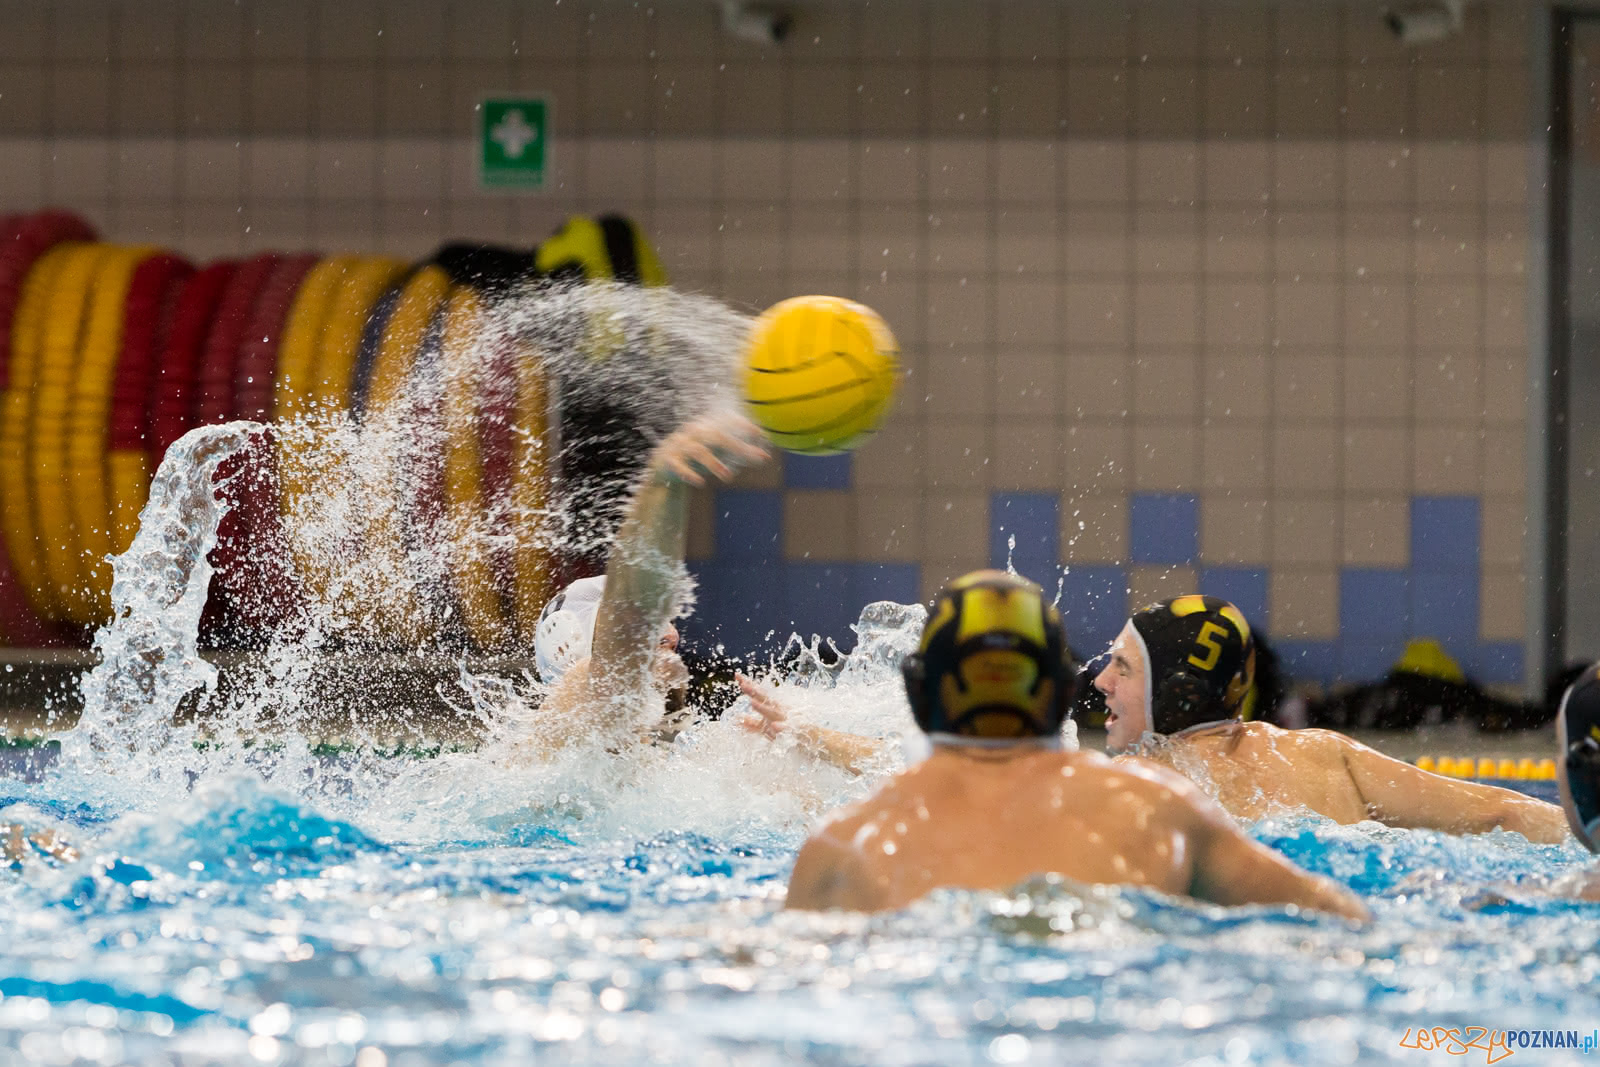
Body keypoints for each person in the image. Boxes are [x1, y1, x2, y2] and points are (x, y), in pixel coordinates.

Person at [784, 570, 1367, 921]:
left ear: (918, 692)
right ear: (1064, 692)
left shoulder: (843, 848)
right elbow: (1342, 917)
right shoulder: (1159, 808)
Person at [1093, 596, 1572, 844]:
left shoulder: (1135, 787)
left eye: (1124, 667)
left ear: (1175, 692)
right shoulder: (1321, 752)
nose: (1101, 682)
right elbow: (1502, 814)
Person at [517, 407, 769, 751]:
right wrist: (664, 483)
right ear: (574, 648)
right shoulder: (577, 714)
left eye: (664, 622)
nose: (671, 634)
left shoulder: (666, 754)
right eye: (650, 627)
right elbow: (630, 614)